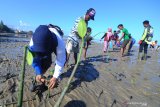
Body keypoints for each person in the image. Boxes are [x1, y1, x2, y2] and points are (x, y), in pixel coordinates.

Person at [29, 24, 66, 89]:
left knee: (47, 63)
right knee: (39, 63)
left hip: (51, 45)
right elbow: (34, 61)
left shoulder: (60, 42)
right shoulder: (32, 43)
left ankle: (42, 76)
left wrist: (55, 77)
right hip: (42, 47)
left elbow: (61, 61)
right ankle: (39, 77)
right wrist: (38, 72)